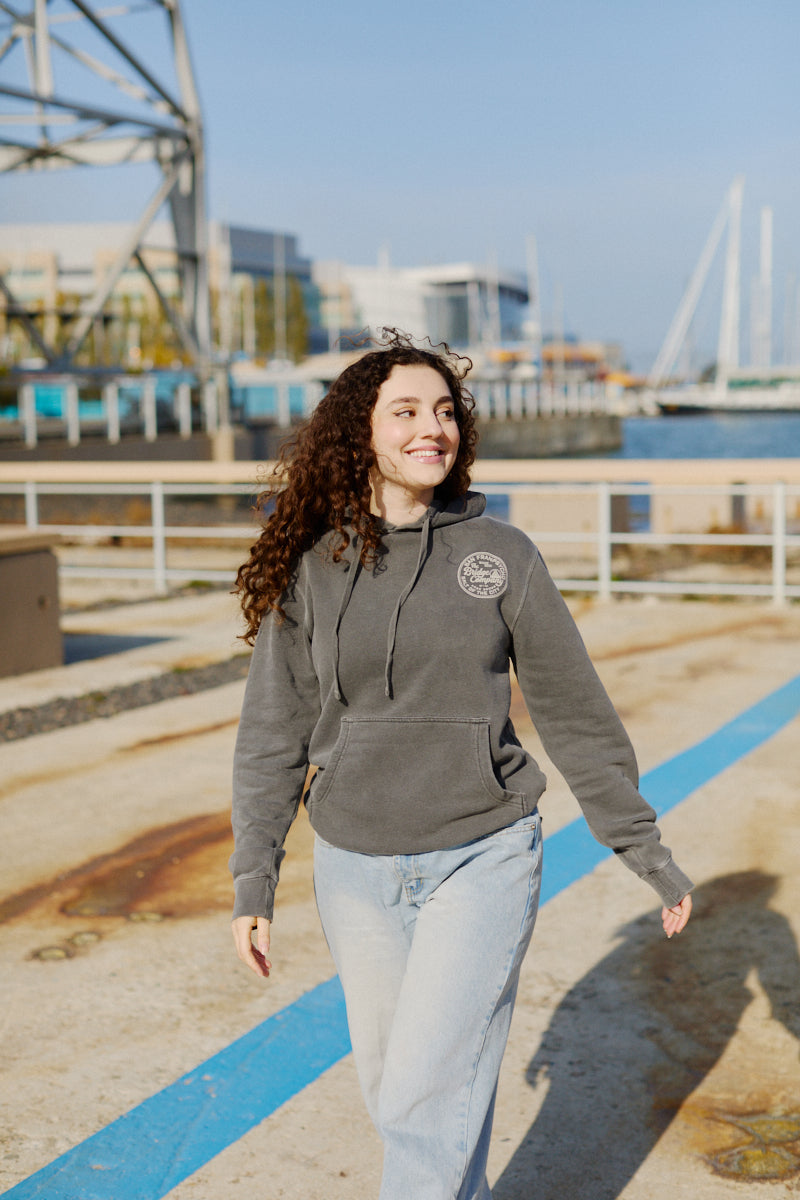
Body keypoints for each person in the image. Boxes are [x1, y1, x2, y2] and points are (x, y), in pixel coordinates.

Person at [229, 330, 693, 1200]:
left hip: (483, 854)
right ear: (359, 433)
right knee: (405, 1100)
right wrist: (254, 876)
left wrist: (642, 847)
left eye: (444, 412)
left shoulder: (503, 557)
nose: (430, 429)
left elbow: (572, 708)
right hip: (355, 866)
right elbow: (272, 733)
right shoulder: (314, 567)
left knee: (424, 1100)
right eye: (404, 412)